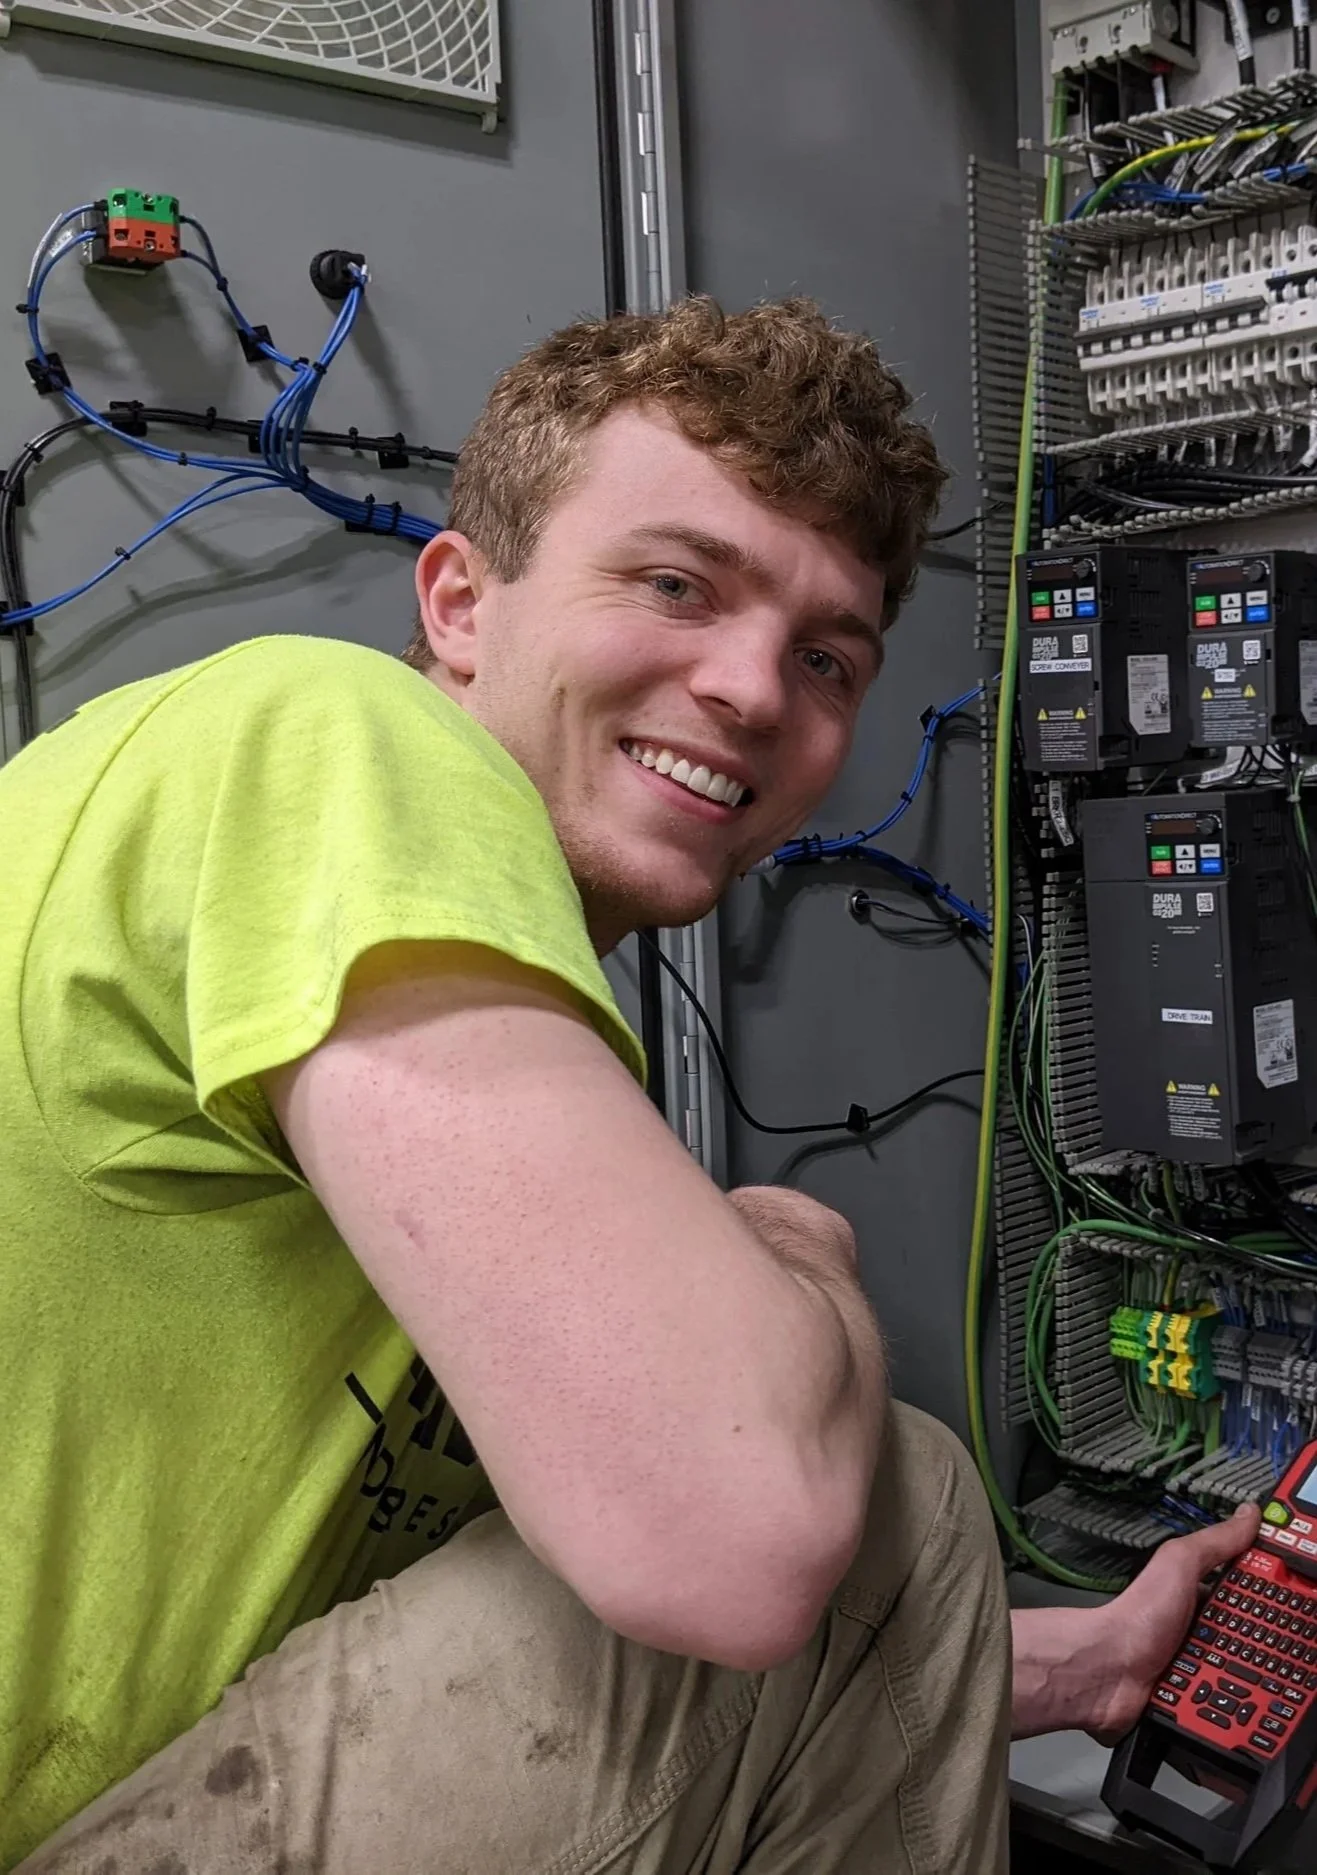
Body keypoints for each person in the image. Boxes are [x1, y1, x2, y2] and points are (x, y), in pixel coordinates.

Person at [2, 297, 1258, 1875]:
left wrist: (1070, 1667)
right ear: (460, 602)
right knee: (887, 1480)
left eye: (826, 656)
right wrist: (798, 1255)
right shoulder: (332, 736)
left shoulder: (453, 986)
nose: (750, 690)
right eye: (676, 584)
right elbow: (734, 1532)